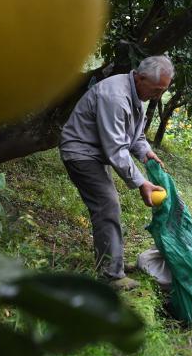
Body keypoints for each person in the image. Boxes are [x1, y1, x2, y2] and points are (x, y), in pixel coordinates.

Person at [59, 56, 173, 290]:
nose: (158, 96)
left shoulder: (137, 95)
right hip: (81, 152)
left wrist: (146, 153)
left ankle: (112, 263)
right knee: (107, 205)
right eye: (157, 89)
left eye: (163, 90)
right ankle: (111, 275)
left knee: (107, 205)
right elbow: (116, 149)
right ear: (140, 78)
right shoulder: (115, 97)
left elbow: (135, 136)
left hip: (95, 152)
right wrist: (142, 183)